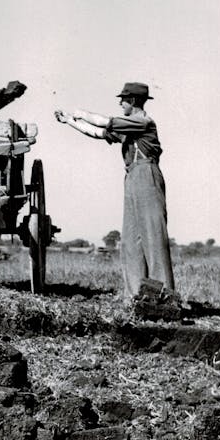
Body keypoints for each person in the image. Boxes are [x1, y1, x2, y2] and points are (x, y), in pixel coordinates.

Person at [54, 82, 174, 298]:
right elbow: (98, 132)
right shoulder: (128, 128)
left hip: (147, 175)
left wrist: (81, 113)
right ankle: (136, 296)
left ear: (133, 101)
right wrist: (69, 121)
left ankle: (164, 297)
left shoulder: (143, 122)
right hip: (132, 176)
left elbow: (104, 121)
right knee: (131, 241)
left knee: (153, 235)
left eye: (123, 100)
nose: (121, 103)